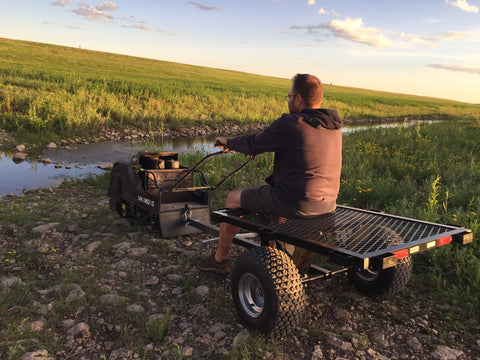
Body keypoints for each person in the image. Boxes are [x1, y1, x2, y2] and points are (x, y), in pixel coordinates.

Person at [195, 73, 343, 274]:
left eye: (289, 96)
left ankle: (219, 259)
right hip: (328, 203)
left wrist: (228, 142)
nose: (288, 100)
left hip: (298, 203)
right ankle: (274, 253)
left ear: (298, 98)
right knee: (273, 194)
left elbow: (254, 143)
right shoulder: (333, 127)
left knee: (232, 198)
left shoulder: (291, 123)